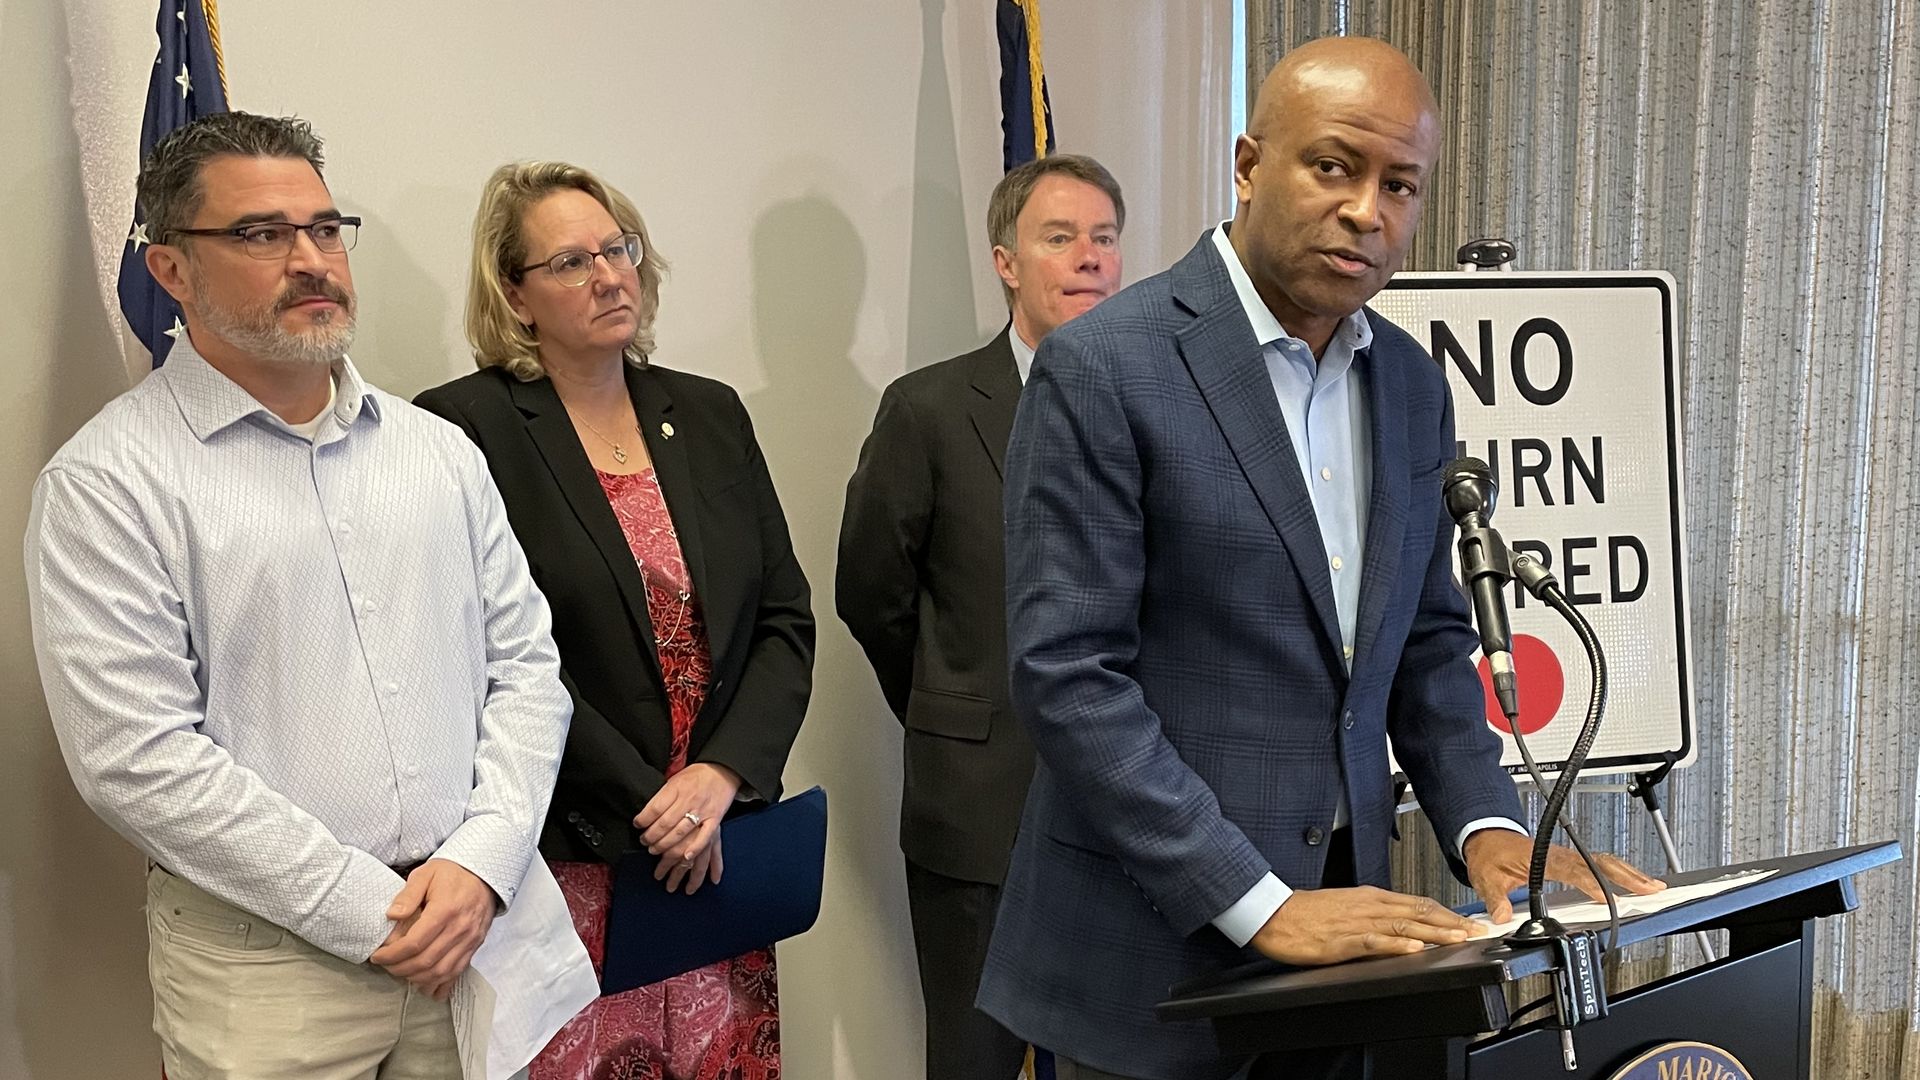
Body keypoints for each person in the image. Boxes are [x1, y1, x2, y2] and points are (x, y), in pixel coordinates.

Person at [975, 38, 1666, 1080]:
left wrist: (1485, 826)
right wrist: (1260, 904)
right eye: (1334, 167)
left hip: (1353, 954)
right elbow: (1070, 681)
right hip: (1148, 968)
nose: (1367, 211)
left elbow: (1427, 642)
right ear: (1250, 166)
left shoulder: (1411, 384)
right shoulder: (1105, 369)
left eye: (1401, 185)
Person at [26, 112, 573, 1079]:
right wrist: (375, 911)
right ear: (170, 273)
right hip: (271, 969)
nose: (311, 260)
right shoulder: (108, 482)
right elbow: (136, 756)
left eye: (325, 229)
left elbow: (529, 667)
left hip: (473, 932)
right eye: (259, 234)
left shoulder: (434, 451)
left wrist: (483, 861)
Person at [415, 161, 814, 1079]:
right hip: (574, 859)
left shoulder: (708, 413)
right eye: (569, 262)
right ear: (513, 295)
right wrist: (649, 803)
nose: (608, 275)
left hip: (720, 845)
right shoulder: (460, 429)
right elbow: (491, 658)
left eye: (618, 248)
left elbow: (784, 620)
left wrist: (720, 776)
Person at [836, 153, 1124, 1079]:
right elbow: (872, 592)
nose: (1088, 258)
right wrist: (952, 701)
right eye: (1059, 237)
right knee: (973, 1061)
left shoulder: (1160, 403)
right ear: (1005, 261)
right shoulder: (927, 410)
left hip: (1132, 816)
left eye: (1105, 238)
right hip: (979, 811)